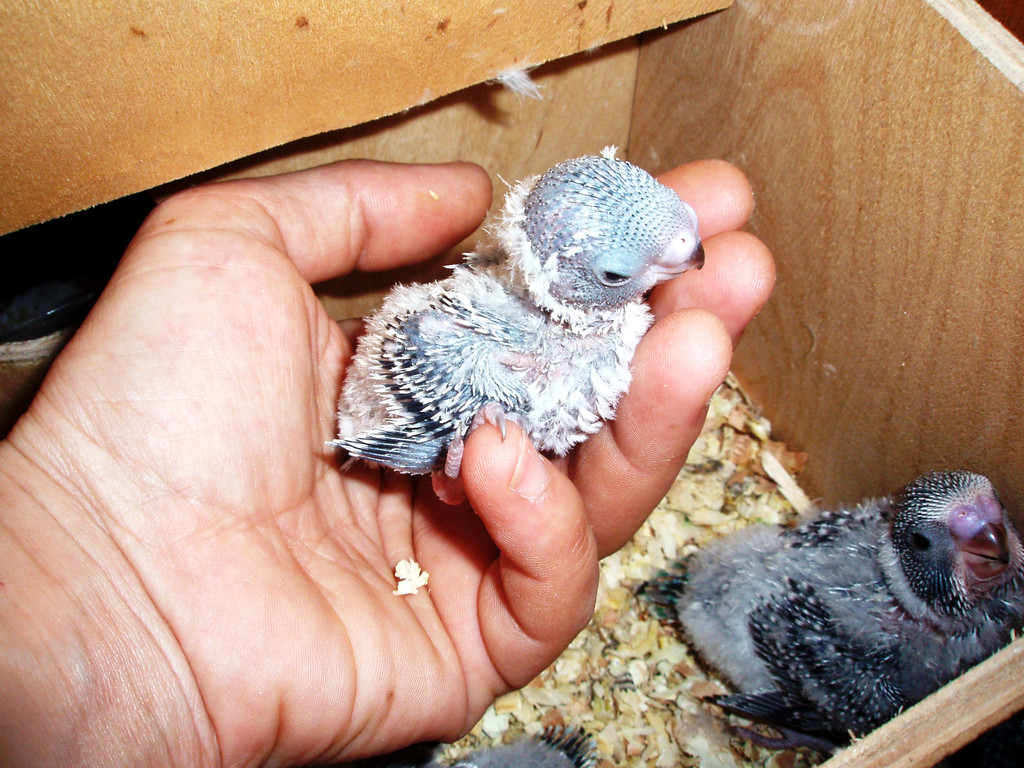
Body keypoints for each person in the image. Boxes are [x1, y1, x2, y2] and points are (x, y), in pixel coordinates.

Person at [0, 157, 773, 766]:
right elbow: (398, 413)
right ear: (564, 279)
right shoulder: (507, 364)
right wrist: (444, 462)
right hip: (397, 427)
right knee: (486, 449)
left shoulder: (581, 318)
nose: (686, 254)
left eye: (673, 230)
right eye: (616, 273)